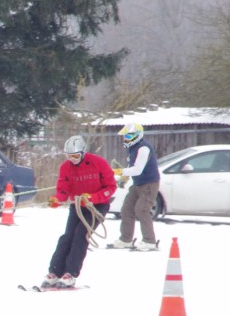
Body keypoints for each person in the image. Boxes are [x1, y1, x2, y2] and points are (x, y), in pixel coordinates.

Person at [42, 135, 117, 288]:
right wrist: (57, 199)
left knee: (80, 235)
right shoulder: (65, 167)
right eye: (69, 156)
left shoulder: (99, 163)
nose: (73, 159)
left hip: (98, 207)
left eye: (76, 156)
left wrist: (93, 198)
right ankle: (55, 271)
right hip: (77, 206)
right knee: (67, 237)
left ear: (83, 152)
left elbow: (111, 187)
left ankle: (70, 273)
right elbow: (63, 189)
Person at [110, 123, 160, 251]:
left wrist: (120, 171)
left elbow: (138, 169)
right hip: (137, 184)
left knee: (142, 210)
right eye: (125, 136)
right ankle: (125, 239)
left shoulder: (144, 148)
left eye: (128, 136)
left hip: (149, 184)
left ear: (137, 135)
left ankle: (149, 241)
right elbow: (131, 165)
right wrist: (125, 177)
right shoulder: (133, 148)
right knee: (126, 209)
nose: (126, 139)